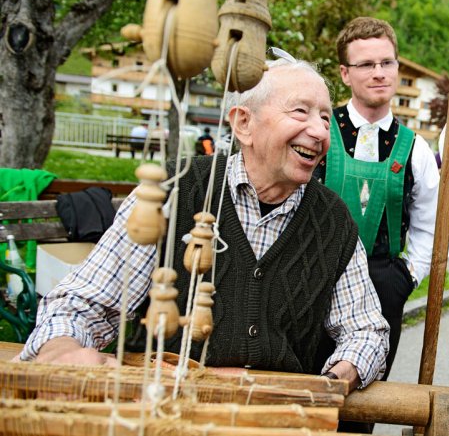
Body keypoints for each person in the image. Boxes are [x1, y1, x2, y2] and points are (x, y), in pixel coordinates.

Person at [20, 58, 390, 393]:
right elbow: (81, 303)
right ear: (243, 123)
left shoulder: (332, 219)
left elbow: (367, 331)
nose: (320, 132)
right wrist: (61, 349)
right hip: (167, 409)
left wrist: (331, 382)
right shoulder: (170, 195)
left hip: (274, 418)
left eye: (325, 118)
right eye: (301, 112)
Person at [313, 17, 439, 383]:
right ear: (344, 73)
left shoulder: (415, 148)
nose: (379, 72)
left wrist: (406, 277)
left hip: (384, 286)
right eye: (366, 64)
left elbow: (428, 223)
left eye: (387, 63)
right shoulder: (318, 130)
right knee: (305, 396)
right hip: (315, 280)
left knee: (366, 403)